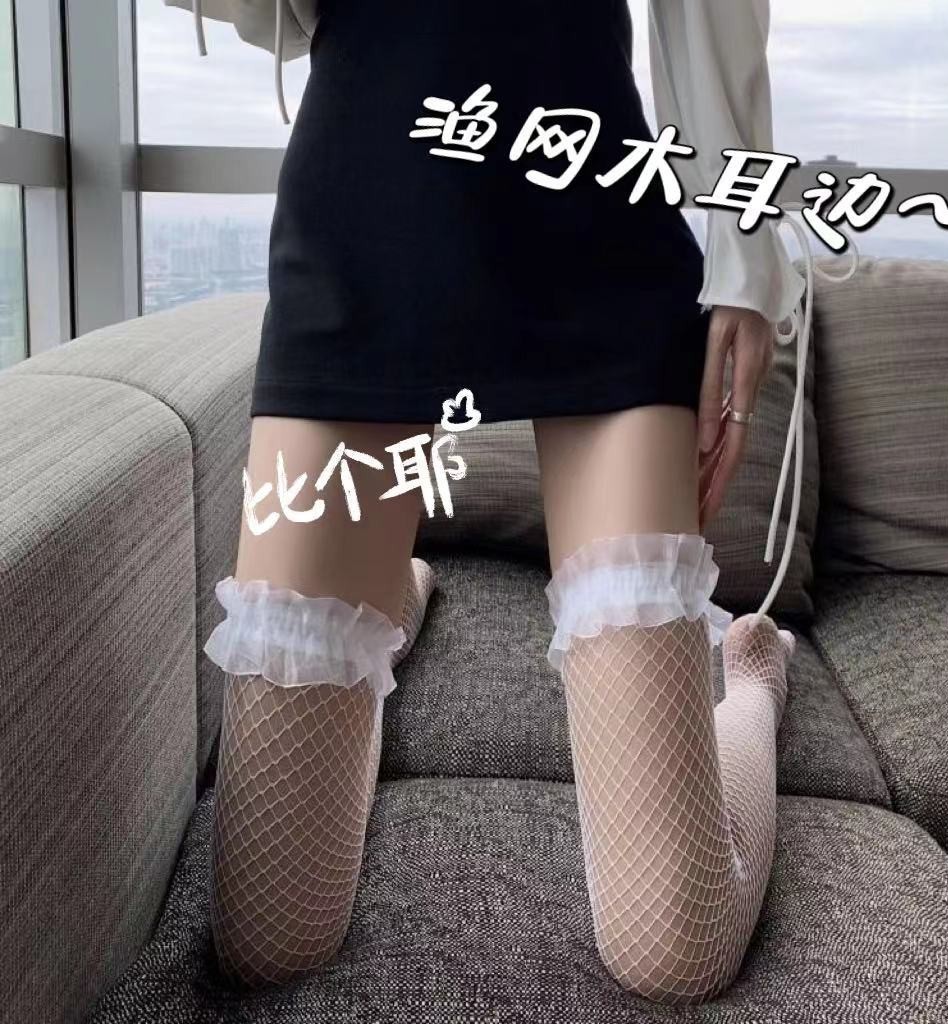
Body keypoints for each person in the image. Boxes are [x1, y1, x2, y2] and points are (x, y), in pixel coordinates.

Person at [173, 0, 852, 1006]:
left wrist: (745, 260)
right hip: (362, 229)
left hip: (599, 235)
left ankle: (752, 674)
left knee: (674, 946)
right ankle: (395, 598)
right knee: (270, 939)